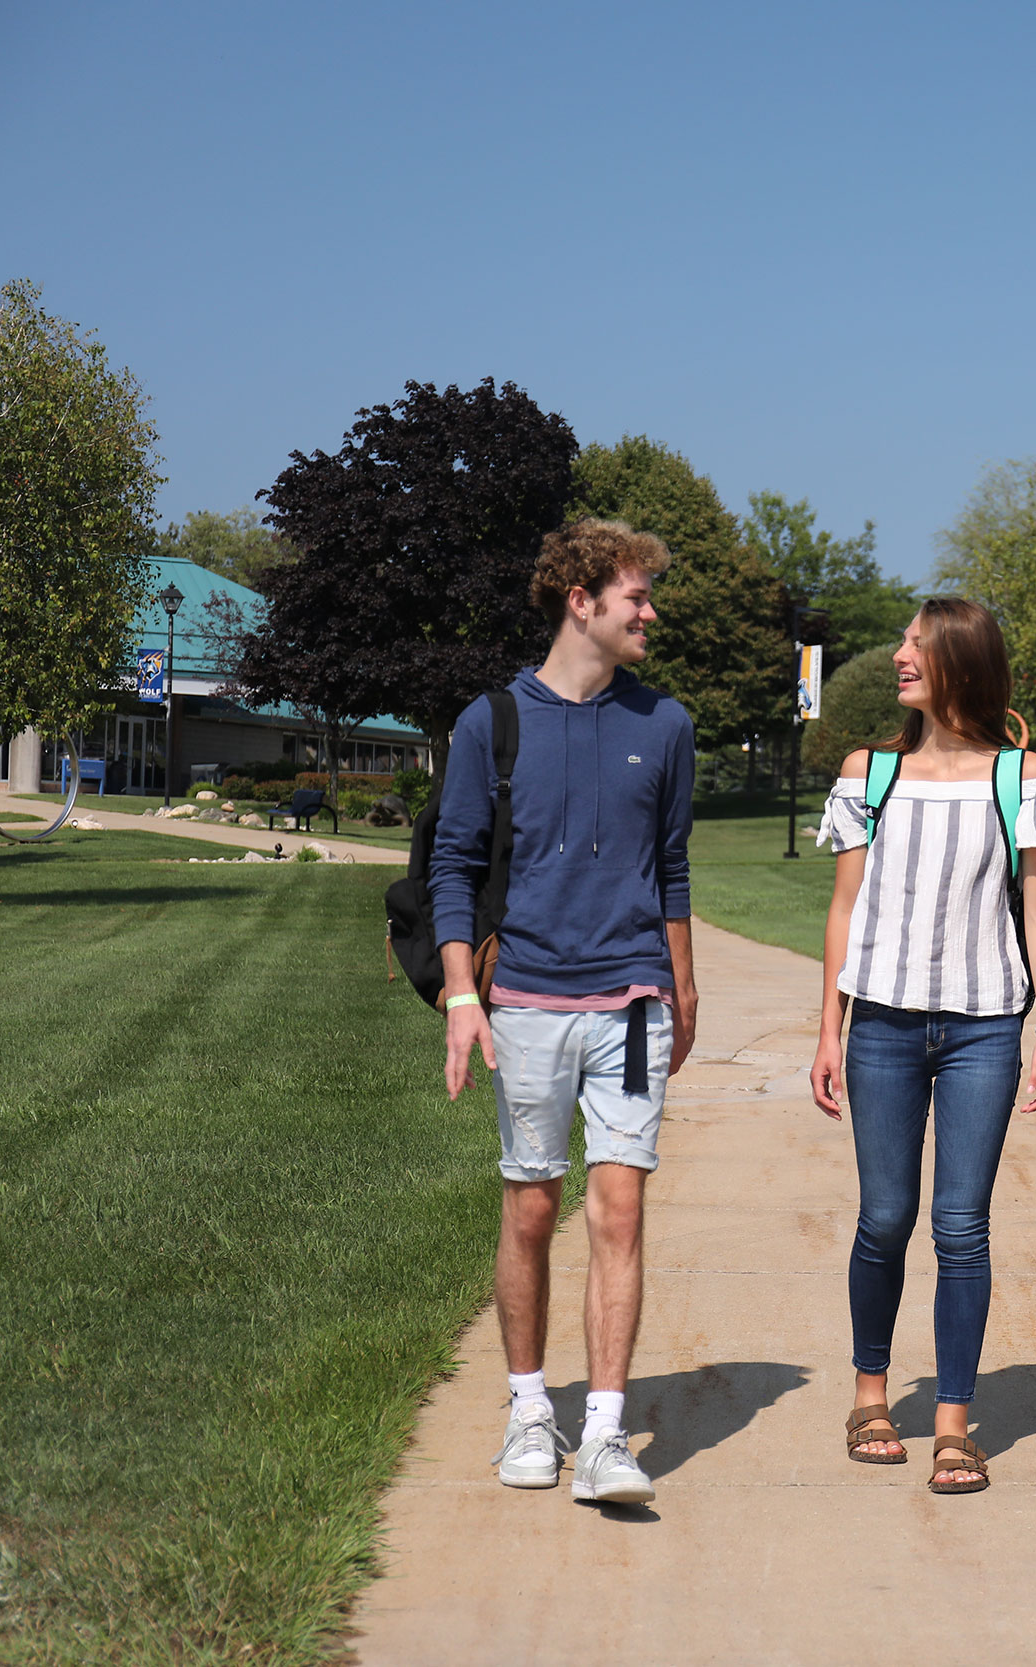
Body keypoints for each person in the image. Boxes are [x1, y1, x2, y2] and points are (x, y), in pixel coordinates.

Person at [435, 518, 699, 1508]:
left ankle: (602, 1433)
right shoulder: (490, 722)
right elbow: (454, 863)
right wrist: (464, 995)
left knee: (621, 1204)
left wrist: (683, 982)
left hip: (632, 1001)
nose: (650, 610)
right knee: (533, 1203)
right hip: (528, 1000)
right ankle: (527, 1409)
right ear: (580, 599)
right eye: (636, 594)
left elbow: (672, 866)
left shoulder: (663, 723)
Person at [810, 597, 1036, 1495]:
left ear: (960, 659)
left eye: (916, 644)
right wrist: (827, 1027)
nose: (898, 656)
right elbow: (844, 910)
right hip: (880, 1023)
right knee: (885, 1217)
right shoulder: (870, 773)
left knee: (962, 1226)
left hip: (983, 1027)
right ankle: (871, 1395)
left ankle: (955, 1423)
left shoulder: (1022, 776)